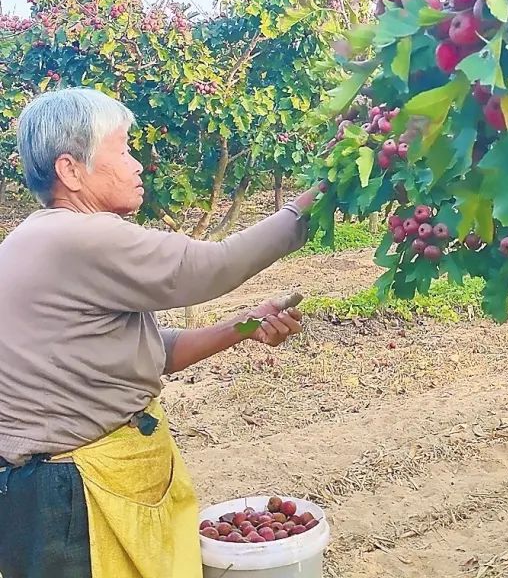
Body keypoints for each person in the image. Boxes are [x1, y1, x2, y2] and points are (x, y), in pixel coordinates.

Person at [0, 88, 322, 578]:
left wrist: (246, 325)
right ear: (71, 170)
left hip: (65, 488)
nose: (137, 165)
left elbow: (155, 351)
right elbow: (209, 267)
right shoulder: (73, 237)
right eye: (124, 150)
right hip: (70, 502)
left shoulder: (45, 238)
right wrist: (317, 200)